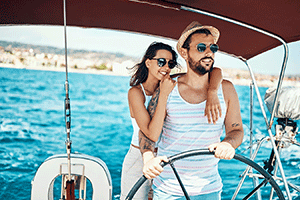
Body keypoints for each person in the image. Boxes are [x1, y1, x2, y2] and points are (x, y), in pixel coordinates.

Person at [139, 21, 244, 200]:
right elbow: (146, 133)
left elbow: (236, 130)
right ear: (184, 52)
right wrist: (148, 159)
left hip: (209, 190)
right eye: (201, 47)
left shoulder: (226, 90)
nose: (209, 52)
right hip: (168, 190)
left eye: (213, 48)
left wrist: (228, 144)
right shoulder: (167, 89)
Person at [120, 41, 224, 200]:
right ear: (148, 62)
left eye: (171, 63)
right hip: (139, 160)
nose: (166, 67)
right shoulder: (136, 92)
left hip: (164, 161)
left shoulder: (170, 82)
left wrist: (212, 91)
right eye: (161, 62)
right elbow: (152, 134)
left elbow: (216, 71)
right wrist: (163, 94)